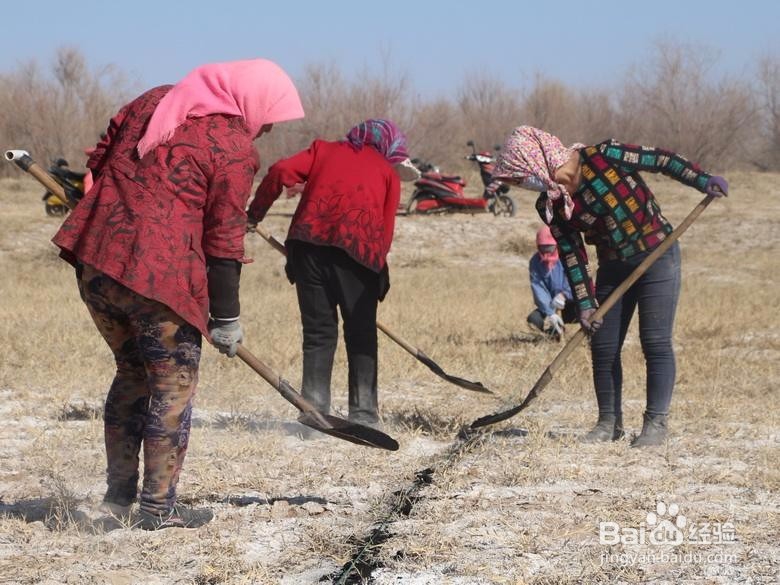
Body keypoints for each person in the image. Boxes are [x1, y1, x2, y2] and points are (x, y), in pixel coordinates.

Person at [51, 59, 304, 528]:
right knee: (170, 387)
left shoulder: (155, 99)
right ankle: (157, 509)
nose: (266, 127)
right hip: (158, 279)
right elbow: (224, 239)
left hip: (97, 261)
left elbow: (100, 157)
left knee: (131, 372)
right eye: (269, 115)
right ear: (248, 100)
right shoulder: (232, 148)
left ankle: (117, 499)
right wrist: (226, 316)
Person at [492, 126, 728, 448]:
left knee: (654, 340)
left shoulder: (605, 156)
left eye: (519, 179)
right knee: (603, 345)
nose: (522, 186)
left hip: (657, 253)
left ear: (535, 164)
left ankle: (656, 424)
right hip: (613, 267)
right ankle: (608, 423)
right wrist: (586, 302)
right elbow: (572, 254)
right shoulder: (550, 204)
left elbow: (662, 160)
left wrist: (701, 179)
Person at [247, 119, 413, 435]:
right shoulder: (387, 171)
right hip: (359, 256)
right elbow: (384, 232)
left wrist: (254, 215)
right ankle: (363, 414)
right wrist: (378, 274)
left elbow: (281, 171)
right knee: (361, 333)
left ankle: (314, 414)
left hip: (308, 248)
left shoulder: (322, 150)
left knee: (319, 332)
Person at [526, 225, 577, 340]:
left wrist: (564, 294)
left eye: (549, 248)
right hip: (551, 303)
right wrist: (551, 313)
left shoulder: (567, 257)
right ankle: (553, 334)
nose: (546, 252)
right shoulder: (535, 262)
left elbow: (575, 280)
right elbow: (538, 287)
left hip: (571, 301)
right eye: (543, 248)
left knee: (582, 313)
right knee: (534, 320)